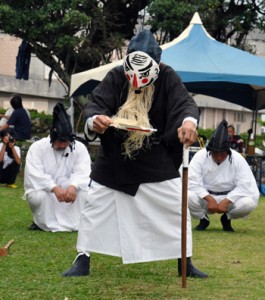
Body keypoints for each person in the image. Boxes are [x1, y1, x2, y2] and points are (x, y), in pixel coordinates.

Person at [62, 30, 207, 278]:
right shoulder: (117, 74)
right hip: (116, 155)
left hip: (154, 155)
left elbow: (185, 104)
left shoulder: (167, 75)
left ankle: (185, 261)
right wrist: (96, 120)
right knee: (95, 205)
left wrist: (189, 123)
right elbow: (96, 105)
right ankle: (82, 257)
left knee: (175, 206)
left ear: (157, 65)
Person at [23, 103, 91, 232]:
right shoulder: (37, 147)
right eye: (59, 142)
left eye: (66, 142)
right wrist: (53, 188)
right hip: (47, 191)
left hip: (69, 191)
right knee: (37, 196)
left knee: (87, 193)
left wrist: (73, 186)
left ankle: (76, 223)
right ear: (52, 138)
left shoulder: (79, 148)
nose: (63, 145)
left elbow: (83, 172)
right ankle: (43, 223)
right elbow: (34, 174)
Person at [188, 120, 259, 232]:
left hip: (230, 199)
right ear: (210, 150)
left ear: (228, 151)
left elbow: (244, 184)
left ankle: (227, 218)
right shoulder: (200, 156)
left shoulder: (238, 158)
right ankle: (203, 219)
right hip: (205, 198)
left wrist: (227, 200)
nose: (219, 157)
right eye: (215, 153)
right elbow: (192, 182)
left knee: (248, 203)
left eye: (223, 153)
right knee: (187, 196)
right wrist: (209, 198)